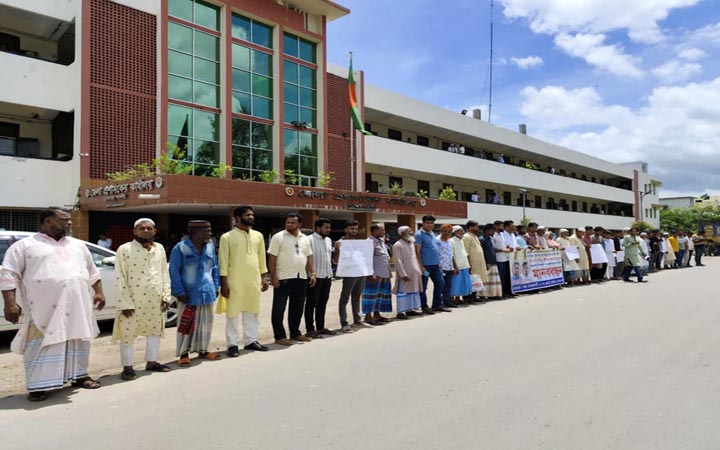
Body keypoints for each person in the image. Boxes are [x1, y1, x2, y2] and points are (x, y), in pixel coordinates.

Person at [1, 209, 105, 401]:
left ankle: (80, 375)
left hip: (77, 305)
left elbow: (92, 270)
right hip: (43, 308)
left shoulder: (78, 245)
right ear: (48, 221)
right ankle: (38, 385)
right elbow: (8, 274)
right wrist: (10, 304)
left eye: (70, 220)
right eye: (65, 220)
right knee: (40, 344)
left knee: (79, 339)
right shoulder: (24, 246)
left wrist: (99, 292)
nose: (70, 223)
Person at [113, 218, 172, 381]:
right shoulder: (124, 249)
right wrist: (124, 303)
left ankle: (151, 362)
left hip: (155, 300)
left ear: (154, 231)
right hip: (132, 301)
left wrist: (166, 295)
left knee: (155, 332)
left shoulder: (159, 248)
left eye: (149, 228)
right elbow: (120, 277)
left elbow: (164, 273)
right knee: (128, 334)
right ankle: (128, 367)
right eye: (141, 228)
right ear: (134, 231)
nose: (145, 231)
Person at [218, 206, 269, 356]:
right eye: (248, 215)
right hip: (234, 281)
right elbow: (223, 261)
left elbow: (261, 259)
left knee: (252, 311)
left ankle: (251, 341)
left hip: (253, 280)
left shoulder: (258, 236)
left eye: (252, 215)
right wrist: (224, 283)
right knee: (232, 313)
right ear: (238, 218)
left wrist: (264, 278)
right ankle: (232, 344)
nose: (251, 217)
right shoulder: (227, 237)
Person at [169, 220, 221, 366]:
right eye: (206, 230)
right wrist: (179, 291)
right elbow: (174, 272)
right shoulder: (180, 248)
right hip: (187, 294)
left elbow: (215, 267)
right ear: (195, 232)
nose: (210, 233)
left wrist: (216, 286)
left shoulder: (210, 247)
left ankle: (203, 350)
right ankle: (183, 354)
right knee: (186, 325)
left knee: (205, 324)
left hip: (207, 291)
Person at [267, 213, 315, 345]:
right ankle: (279, 336)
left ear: (299, 224)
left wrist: (312, 273)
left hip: (300, 277)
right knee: (278, 309)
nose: (289, 225)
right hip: (283, 278)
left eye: (292, 223)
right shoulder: (278, 237)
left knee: (297, 308)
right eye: (288, 222)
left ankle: (295, 333)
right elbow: (272, 257)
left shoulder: (305, 238)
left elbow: (308, 257)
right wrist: (273, 276)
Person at [304, 218, 334, 338]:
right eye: (326, 227)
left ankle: (320, 327)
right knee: (311, 303)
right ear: (317, 228)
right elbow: (307, 258)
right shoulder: (309, 240)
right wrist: (312, 274)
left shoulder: (328, 240)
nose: (328, 230)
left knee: (323, 303)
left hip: (327, 276)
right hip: (315, 277)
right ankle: (310, 329)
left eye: (329, 227)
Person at [335, 220, 365, 331]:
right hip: (348, 274)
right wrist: (338, 250)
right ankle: (344, 322)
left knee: (356, 297)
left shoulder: (359, 243)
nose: (354, 231)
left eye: (356, 229)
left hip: (360, 273)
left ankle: (357, 319)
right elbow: (336, 261)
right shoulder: (340, 242)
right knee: (344, 298)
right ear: (346, 230)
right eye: (352, 229)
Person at [361, 223, 394, 325]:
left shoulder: (381, 241)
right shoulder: (369, 242)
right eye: (381, 230)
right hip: (375, 274)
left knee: (380, 295)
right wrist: (371, 273)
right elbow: (366, 259)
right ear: (374, 231)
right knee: (370, 296)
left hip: (384, 273)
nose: (384, 232)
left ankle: (377, 314)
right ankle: (368, 317)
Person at [415, 215, 445, 315]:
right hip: (425, 266)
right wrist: (421, 266)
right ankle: (424, 306)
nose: (430, 225)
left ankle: (437, 305)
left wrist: (439, 262)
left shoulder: (432, 233)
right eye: (428, 223)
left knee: (440, 283)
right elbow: (417, 251)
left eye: (432, 223)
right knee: (423, 286)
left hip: (435, 265)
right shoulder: (419, 235)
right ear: (423, 223)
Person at [393, 226, 423, 319]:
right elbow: (398, 261)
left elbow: (414, 258)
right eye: (408, 231)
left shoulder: (411, 243)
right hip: (405, 274)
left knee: (413, 291)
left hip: (414, 273)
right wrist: (403, 274)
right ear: (402, 233)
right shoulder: (398, 245)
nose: (411, 232)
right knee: (403, 292)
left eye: (411, 230)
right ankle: (400, 312)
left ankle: (410, 310)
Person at [462, 220, 488, 303]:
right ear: (470, 227)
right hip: (472, 263)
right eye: (476, 226)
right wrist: (468, 264)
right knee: (471, 280)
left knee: (477, 279)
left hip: (479, 263)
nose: (478, 228)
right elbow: (466, 251)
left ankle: (474, 296)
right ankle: (468, 298)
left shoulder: (475, 236)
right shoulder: (466, 236)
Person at [450, 226, 472, 304]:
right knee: (455, 283)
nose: (463, 232)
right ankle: (451, 299)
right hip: (457, 266)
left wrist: (469, 265)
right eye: (461, 231)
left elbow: (465, 254)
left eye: (463, 231)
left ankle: (458, 298)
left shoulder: (461, 240)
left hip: (464, 265)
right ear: (455, 232)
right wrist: (455, 267)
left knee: (462, 283)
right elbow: (451, 255)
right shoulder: (451, 241)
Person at [480, 223, 503, 299]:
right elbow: (482, 252)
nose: (494, 232)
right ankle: (483, 295)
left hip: (493, 261)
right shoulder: (482, 239)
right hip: (487, 262)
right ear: (488, 230)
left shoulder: (490, 238)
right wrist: (485, 263)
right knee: (486, 281)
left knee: (493, 281)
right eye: (493, 230)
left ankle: (492, 295)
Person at [437, 224, 457, 309]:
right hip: (441, 267)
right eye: (444, 231)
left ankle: (447, 302)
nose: (446, 233)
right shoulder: (437, 240)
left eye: (449, 232)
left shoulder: (449, 241)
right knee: (441, 285)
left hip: (449, 266)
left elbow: (451, 255)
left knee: (448, 285)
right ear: (441, 231)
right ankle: (439, 303)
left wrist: (455, 266)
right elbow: (435, 254)